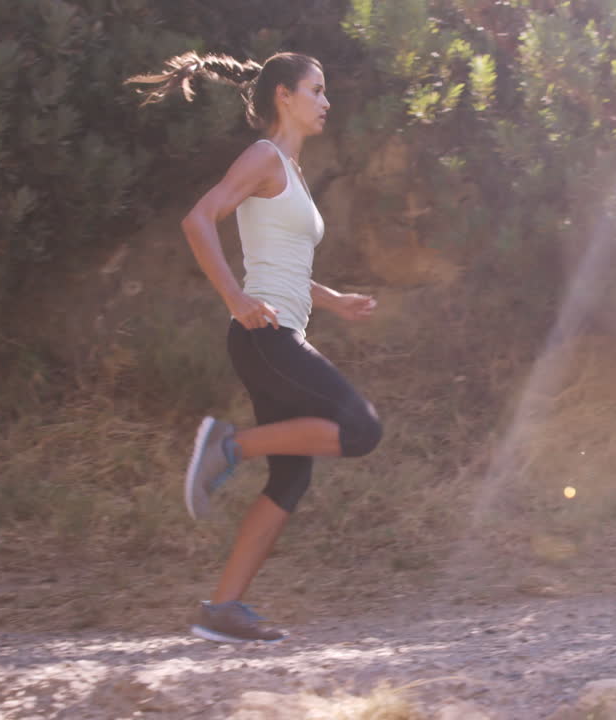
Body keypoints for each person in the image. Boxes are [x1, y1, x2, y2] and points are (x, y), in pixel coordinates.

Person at [127, 52, 383, 642]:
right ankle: (229, 445)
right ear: (283, 97)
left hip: (279, 330)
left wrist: (333, 298)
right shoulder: (263, 156)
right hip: (262, 336)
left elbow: (282, 265)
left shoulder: (289, 170)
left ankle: (222, 608)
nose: (326, 102)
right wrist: (236, 299)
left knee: (291, 482)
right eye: (316, 90)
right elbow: (199, 220)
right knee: (360, 428)